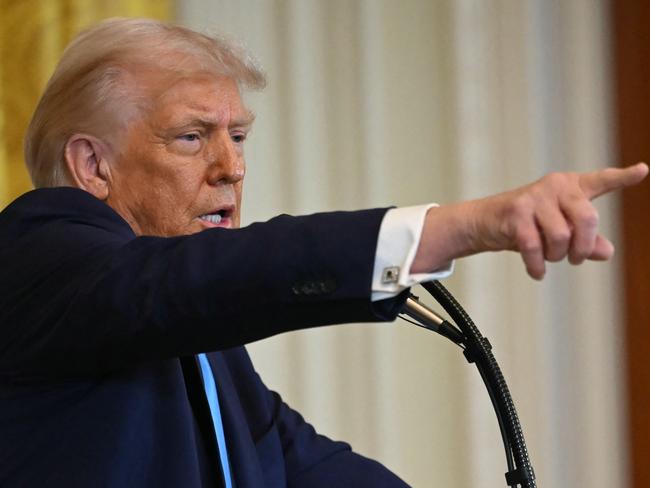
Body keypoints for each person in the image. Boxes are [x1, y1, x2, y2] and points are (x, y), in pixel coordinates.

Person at [0, 17, 646, 488]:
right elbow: (202, 280)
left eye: (239, 136)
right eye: (192, 137)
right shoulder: (39, 252)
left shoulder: (197, 328)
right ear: (92, 165)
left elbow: (294, 459)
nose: (232, 169)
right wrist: (469, 225)